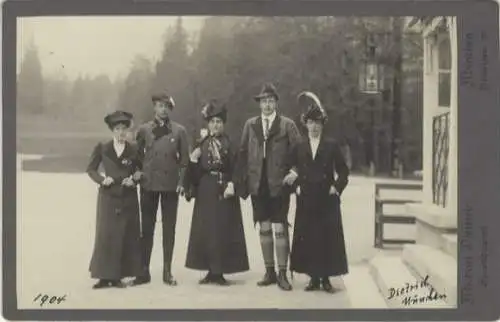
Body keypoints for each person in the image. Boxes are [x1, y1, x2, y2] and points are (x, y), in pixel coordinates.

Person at [236, 83, 301, 291]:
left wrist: (295, 172)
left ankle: (283, 273)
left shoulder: (287, 125)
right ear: (259, 104)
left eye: (271, 101)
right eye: (263, 101)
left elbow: (300, 152)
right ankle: (269, 271)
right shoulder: (250, 125)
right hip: (258, 184)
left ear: (276, 103)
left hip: (279, 184)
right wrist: (241, 181)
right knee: (263, 227)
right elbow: (243, 153)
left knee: (280, 227)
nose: (267, 104)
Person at [183, 100, 250, 286]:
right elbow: (194, 174)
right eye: (212, 122)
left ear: (224, 124)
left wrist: (233, 184)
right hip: (206, 188)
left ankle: (220, 271)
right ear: (208, 124)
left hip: (224, 188)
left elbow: (238, 167)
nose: (215, 125)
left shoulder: (230, 144)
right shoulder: (201, 144)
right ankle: (210, 271)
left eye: (219, 122)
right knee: (206, 230)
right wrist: (194, 161)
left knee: (223, 230)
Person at [289, 92, 349, 293]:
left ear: (322, 124)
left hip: (327, 198)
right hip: (306, 198)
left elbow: (343, 171)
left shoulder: (331, 146)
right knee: (309, 237)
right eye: (310, 123)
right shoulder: (299, 146)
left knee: (326, 238)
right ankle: (313, 278)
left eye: (317, 123)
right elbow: (289, 169)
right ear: (305, 125)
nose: (314, 126)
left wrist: (337, 187)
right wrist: (295, 186)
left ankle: (326, 279)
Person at [131, 92, 190, 286]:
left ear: (170, 108)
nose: (163, 109)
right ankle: (143, 271)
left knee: (169, 229)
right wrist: (137, 172)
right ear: (154, 108)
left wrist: (181, 183)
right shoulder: (144, 130)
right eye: (159, 105)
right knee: (146, 229)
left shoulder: (179, 131)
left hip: (170, 186)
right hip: (148, 184)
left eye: (166, 106)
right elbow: (135, 157)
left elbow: (184, 162)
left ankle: (167, 271)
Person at [86, 110, 143, 289]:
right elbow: (91, 169)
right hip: (108, 197)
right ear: (112, 130)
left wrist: (133, 178)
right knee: (106, 236)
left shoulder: (134, 149)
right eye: (117, 129)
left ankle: (118, 276)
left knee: (125, 235)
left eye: (123, 129)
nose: (120, 133)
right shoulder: (102, 148)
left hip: (128, 197)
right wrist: (103, 179)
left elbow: (142, 170)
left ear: (127, 130)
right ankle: (104, 277)